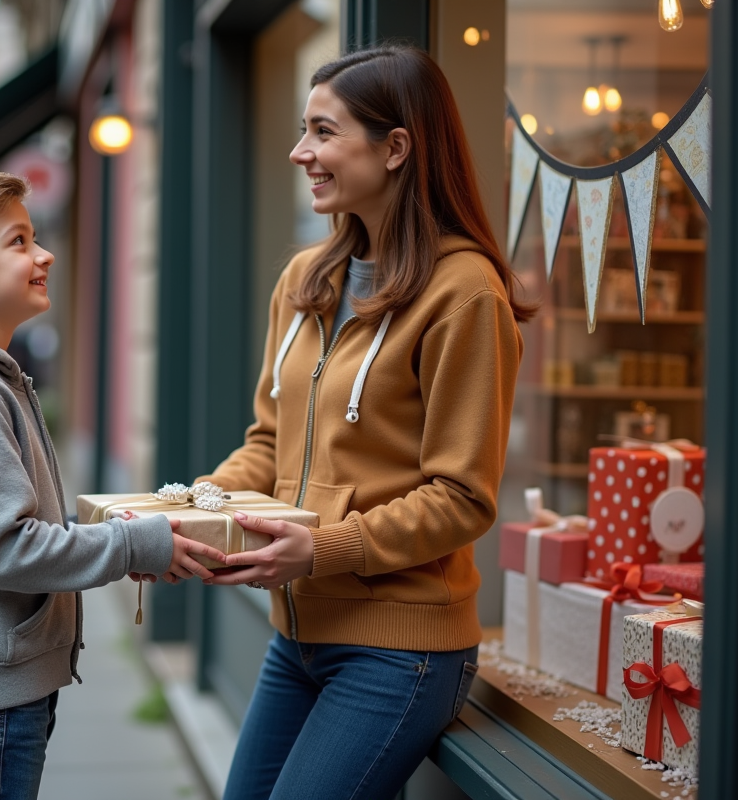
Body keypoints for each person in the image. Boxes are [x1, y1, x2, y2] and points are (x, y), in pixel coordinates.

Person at [193, 45, 535, 799]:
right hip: (297, 638)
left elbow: (462, 497)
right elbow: (268, 443)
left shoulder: (464, 293)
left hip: (399, 651)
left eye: (322, 131)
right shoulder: (306, 279)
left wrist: (322, 547)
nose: (299, 152)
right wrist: (195, 508)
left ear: (395, 148)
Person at [0, 171, 226, 800]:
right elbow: (8, 549)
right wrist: (135, 547)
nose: (44, 254)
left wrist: (124, 541)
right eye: (19, 241)